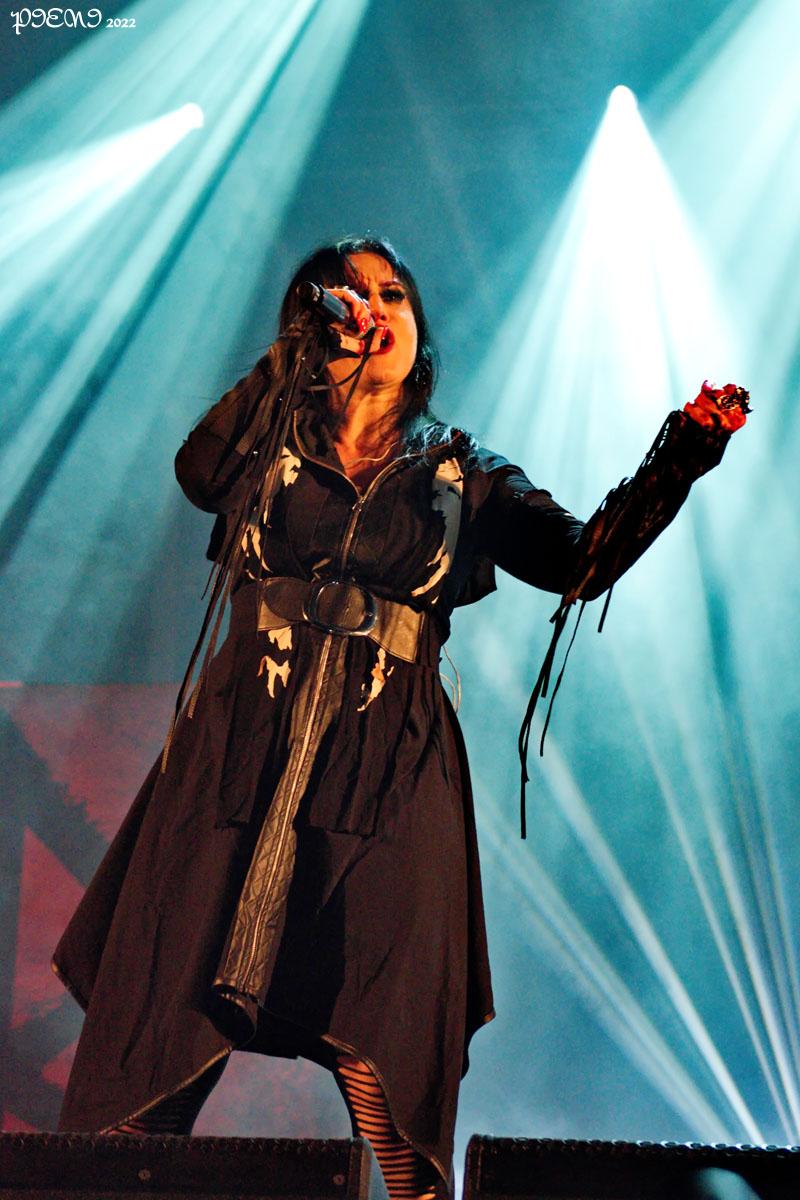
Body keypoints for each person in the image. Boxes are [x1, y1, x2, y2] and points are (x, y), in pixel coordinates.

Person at [52, 236, 748, 1200]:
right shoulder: (267, 435)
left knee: (384, 1015)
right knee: (167, 1012)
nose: (371, 308)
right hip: (240, 744)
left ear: (419, 329)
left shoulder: (463, 469)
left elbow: (579, 562)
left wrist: (682, 455)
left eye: (392, 294)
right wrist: (292, 361)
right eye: (347, 294)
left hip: (389, 759)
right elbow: (199, 472)